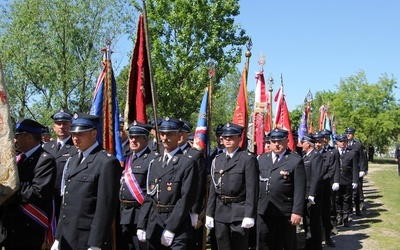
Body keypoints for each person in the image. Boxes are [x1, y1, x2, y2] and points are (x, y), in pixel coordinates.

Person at [51, 112, 121, 250]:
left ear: (94, 133)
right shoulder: (72, 160)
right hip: (67, 235)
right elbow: (66, 203)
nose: (75, 138)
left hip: (87, 238)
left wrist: (96, 243)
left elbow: (105, 208)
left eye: (80, 134)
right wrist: (58, 237)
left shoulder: (106, 162)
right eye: (73, 134)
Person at [136, 117, 198, 249]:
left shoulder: (187, 163)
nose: (165, 138)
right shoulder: (155, 162)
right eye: (163, 134)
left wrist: (171, 228)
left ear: (179, 136)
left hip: (177, 224)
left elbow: (186, 199)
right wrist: (141, 223)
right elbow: (149, 196)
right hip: (155, 222)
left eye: (170, 134)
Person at [1, 118, 57, 249]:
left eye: (18, 137)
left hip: (29, 224)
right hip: (11, 224)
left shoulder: (45, 160)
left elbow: (38, 192)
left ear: (29, 138)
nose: (15, 140)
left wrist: (8, 193)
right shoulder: (17, 159)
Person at [206, 122, 259, 250]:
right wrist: (209, 213)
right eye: (225, 137)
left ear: (240, 138)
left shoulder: (247, 159)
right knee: (222, 246)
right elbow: (214, 188)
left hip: (239, 211)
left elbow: (252, 189)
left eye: (231, 137)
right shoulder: (218, 159)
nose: (227, 140)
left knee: (239, 246)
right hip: (220, 211)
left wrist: (249, 214)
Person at [256, 129, 306, 250]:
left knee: (286, 244)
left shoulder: (295, 160)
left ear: (287, 141)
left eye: (280, 141)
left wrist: (297, 212)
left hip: (285, 212)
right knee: (264, 243)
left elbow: (300, 188)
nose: (277, 144)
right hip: (264, 210)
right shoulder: (262, 159)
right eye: (273, 141)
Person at [119, 121, 158, 250]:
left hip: (140, 214)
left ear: (146, 139)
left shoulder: (153, 160)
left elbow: (151, 193)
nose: (133, 140)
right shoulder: (127, 158)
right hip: (124, 213)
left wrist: (143, 220)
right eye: (131, 137)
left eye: (137, 137)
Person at [43, 109, 77, 220]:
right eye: (58, 124)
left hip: (65, 198)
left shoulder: (76, 147)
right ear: (54, 127)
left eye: (65, 123)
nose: (61, 127)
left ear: (71, 126)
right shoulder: (46, 147)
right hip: (47, 197)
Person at [178, 118, 206, 250]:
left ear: (187, 135)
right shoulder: (165, 153)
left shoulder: (195, 155)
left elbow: (199, 184)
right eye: (175, 133)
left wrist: (195, 212)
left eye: (181, 133)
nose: (178, 136)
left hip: (187, 209)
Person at [314, 131, 339, 247]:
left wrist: (320, 180)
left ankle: (328, 237)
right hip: (312, 190)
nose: (323, 141)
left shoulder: (330, 154)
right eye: (320, 139)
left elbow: (331, 170)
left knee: (325, 214)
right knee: (313, 216)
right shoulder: (309, 154)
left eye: (325, 138)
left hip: (324, 188)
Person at [300, 134, 324, 250]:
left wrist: (312, 194)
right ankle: (309, 242)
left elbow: (316, 176)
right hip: (305, 194)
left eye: (302, 141)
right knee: (307, 221)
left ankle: (316, 245)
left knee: (313, 221)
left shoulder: (316, 157)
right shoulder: (306, 157)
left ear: (308, 144)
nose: (301, 143)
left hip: (312, 195)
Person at [332, 134, 359, 227]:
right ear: (337, 142)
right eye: (340, 141)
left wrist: (355, 180)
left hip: (347, 180)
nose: (342, 143)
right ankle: (339, 215)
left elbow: (355, 168)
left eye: (344, 141)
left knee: (346, 199)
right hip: (336, 180)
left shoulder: (351, 153)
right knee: (337, 199)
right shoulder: (334, 152)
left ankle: (346, 217)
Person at [345, 127, 367, 216]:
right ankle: (349, 210)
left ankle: (357, 208)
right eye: (347, 133)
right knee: (348, 191)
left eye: (349, 133)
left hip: (356, 170)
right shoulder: (344, 143)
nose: (348, 135)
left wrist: (362, 169)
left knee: (356, 191)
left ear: (353, 134)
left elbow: (362, 158)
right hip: (347, 170)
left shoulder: (357, 145)